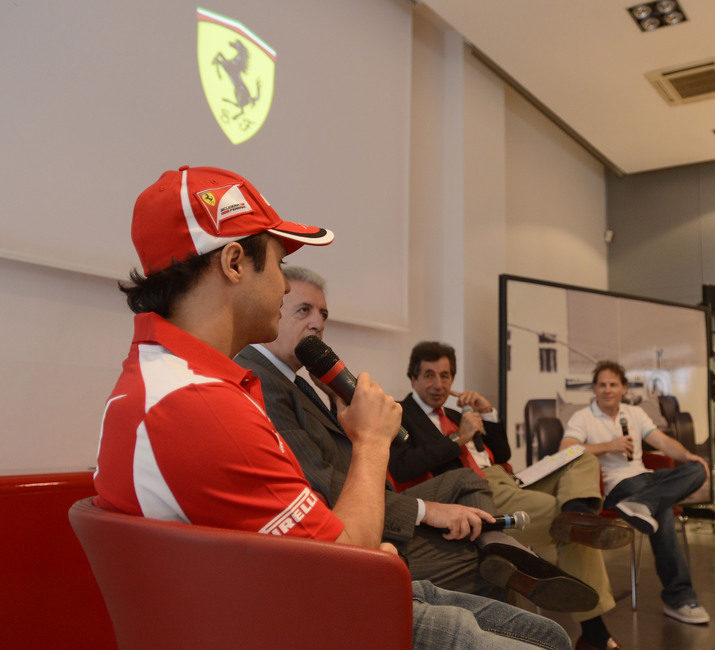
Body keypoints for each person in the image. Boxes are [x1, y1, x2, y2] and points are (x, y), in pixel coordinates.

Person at [93, 165, 572, 650]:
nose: (283, 288)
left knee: (545, 632)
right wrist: (370, 441)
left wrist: (366, 548)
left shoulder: (165, 381)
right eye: (278, 266)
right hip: (313, 620)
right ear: (235, 263)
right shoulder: (200, 405)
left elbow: (321, 543)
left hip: (286, 600)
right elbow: (347, 567)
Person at [236, 266, 595, 610]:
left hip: (410, 494)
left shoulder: (301, 383)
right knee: (486, 560)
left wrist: (486, 417)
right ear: (275, 310)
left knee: (472, 483)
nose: (318, 323)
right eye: (304, 310)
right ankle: (511, 550)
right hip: (353, 529)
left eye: (324, 313)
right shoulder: (263, 380)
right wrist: (427, 510)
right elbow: (337, 482)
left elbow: (501, 452)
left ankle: (504, 544)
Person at [390, 342, 632, 650]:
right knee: (571, 528)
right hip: (475, 491)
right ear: (412, 378)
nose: (438, 384)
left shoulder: (455, 412)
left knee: (580, 456)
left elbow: (501, 453)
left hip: (509, 478)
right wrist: (458, 438)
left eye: (445, 376)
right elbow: (402, 467)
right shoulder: (401, 414)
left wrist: (487, 413)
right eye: (428, 375)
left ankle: (577, 512)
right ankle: (595, 632)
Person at [561, 360, 712, 626]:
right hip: (617, 487)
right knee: (662, 509)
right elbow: (567, 449)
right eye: (602, 385)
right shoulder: (582, 417)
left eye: (613, 384)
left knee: (697, 470)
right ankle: (679, 597)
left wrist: (688, 456)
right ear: (595, 389)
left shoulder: (634, 413)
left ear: (624, 388)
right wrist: (610, 445)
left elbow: (662, 442)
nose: (607, 390)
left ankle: (642, 504)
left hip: (648, 481)